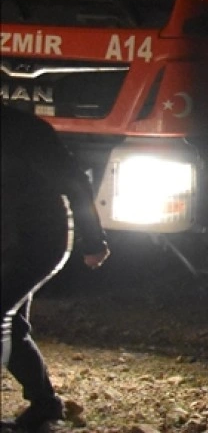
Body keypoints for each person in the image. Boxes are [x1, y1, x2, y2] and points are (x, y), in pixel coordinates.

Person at [2, 106, 111, 431]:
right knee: (13, 324)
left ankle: (46, 405)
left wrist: (93, 241)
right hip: (15, 238)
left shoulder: (23, 130)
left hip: (35, 240)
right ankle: (45, 404)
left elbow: (74, 183)